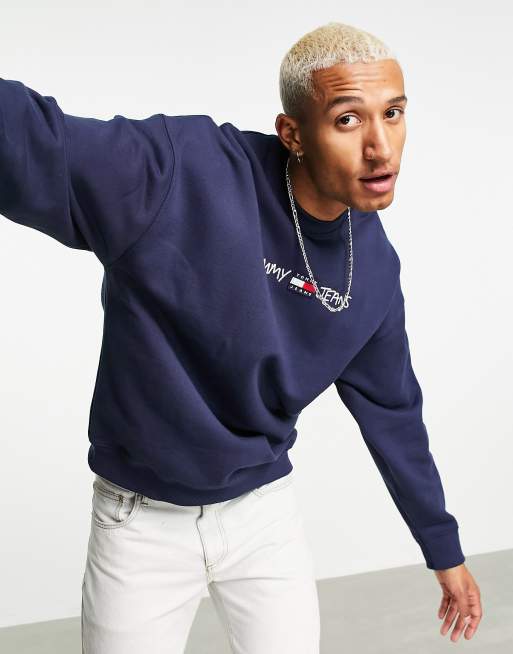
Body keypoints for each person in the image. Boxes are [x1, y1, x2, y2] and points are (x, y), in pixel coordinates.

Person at [0, 20, 482, 653]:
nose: (380, 147)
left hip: (263, 516)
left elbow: (394, 412)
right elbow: (37, 140)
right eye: (347, 120)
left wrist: (444, 550)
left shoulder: (372, 269)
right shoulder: (184, 172)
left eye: (392, 114)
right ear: (293, 134)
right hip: (140, 522)